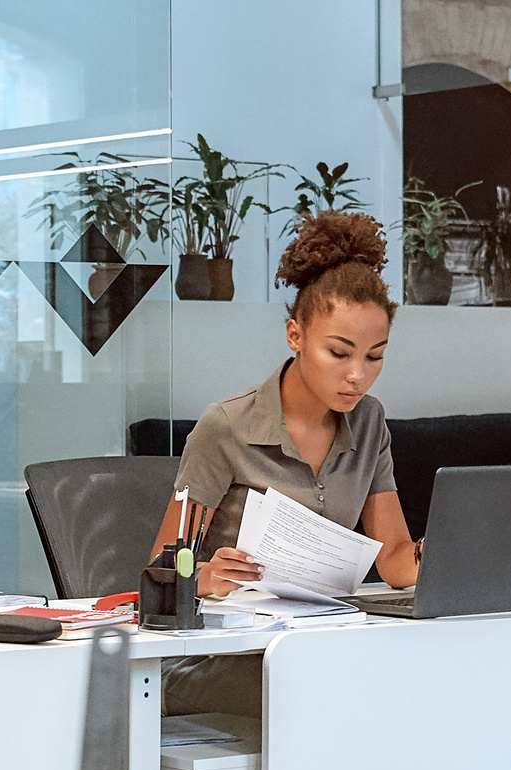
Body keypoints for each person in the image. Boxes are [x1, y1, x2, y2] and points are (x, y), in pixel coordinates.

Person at [166, 211, 424, 599]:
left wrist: (444, 549)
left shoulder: (368, 421)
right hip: (232, 644)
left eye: (374, 357)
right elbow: (164, 569)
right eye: (339, 353)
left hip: (321, 638)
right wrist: (204, 575)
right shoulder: (226, 425)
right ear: (295, 336)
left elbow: (395, 562)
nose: (357, 375)